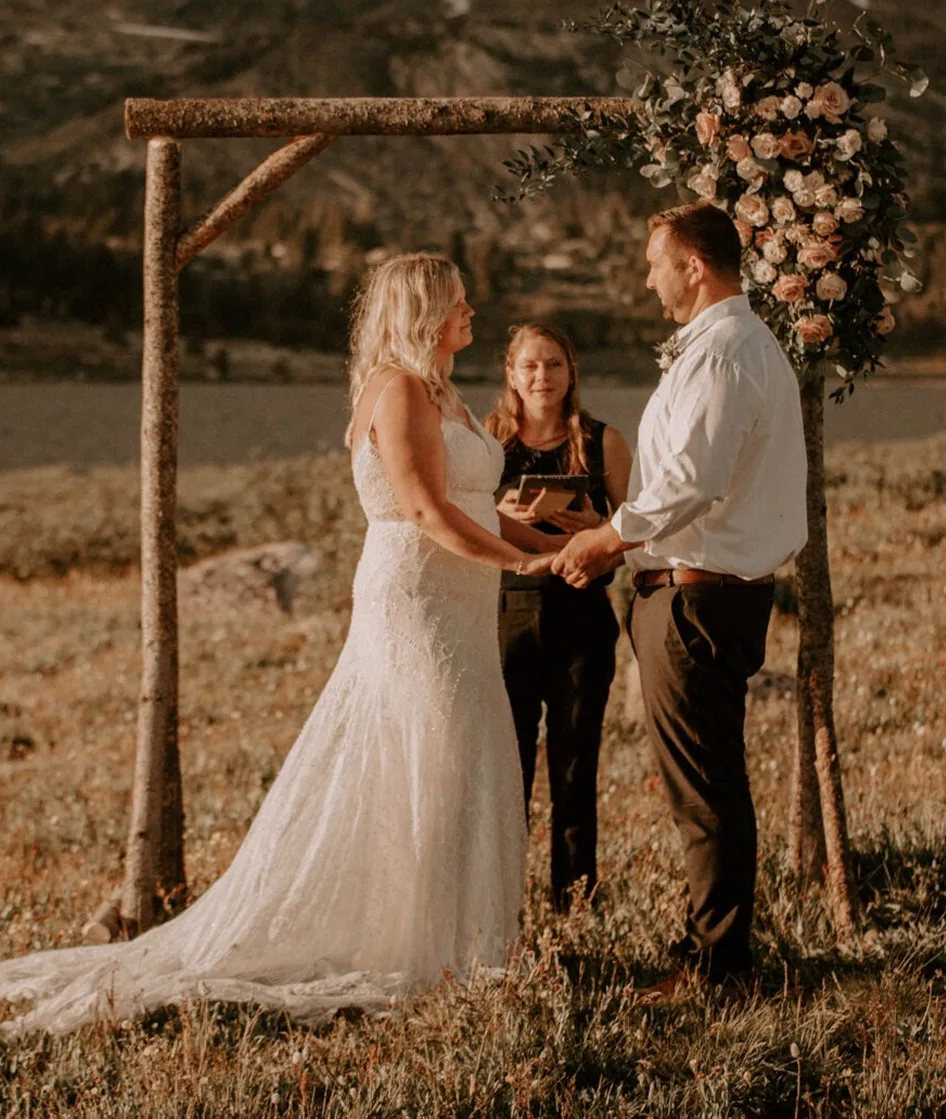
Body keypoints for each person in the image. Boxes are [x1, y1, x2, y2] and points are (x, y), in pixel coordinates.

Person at [0, 253, 558, 1034]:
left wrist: (566, 545)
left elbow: (478, 507)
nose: (471, 310)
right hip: (417, 601)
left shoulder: (445, 392)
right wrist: (525, 562)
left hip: (463, 602)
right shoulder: (398, 389)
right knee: (429, 757)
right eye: (458, 300)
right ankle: (419, 951)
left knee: (460, 758)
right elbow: (426, 512)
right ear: (425, 311)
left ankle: (450, 941)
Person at [552, 203, 808, 990]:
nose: (647, 279)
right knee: (705, 782)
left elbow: (692, 481)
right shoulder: (725, 345)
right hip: (696, 593)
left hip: (697, 601)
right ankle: (712, 949)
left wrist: (608, 538)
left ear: (693, 266)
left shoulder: (726, 353)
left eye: (653, 263)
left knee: (706, 789)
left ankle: (720, 966)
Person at [483, 324, 632, 911]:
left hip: (582, 616)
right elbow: (457, 522)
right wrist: (496, 512)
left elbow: (638, 531)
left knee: (575, 766)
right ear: (511, 374)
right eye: (529, 366)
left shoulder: (602, 442)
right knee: (507, 766)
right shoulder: (487, 441)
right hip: (506, 616)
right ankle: (501, 902)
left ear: (571, 373)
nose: (541, 377)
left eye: (553, 365)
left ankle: (574, 904)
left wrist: (598, 525)